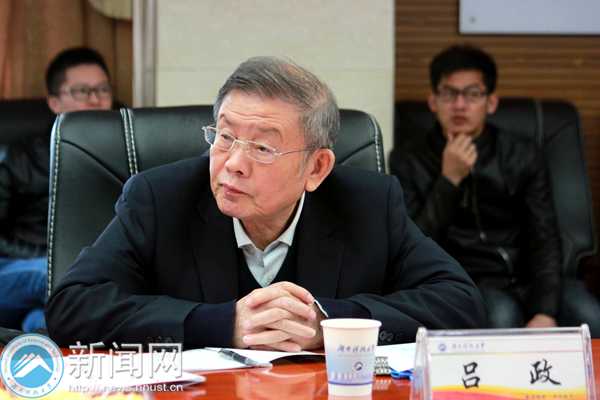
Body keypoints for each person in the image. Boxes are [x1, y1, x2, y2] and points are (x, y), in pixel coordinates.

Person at [46, 56, 486, 351]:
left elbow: (462, 303)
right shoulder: (160, 197)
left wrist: (330, 324)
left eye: (262, 148)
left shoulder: (369, 203)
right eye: (224, 136)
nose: (232, 164)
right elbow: (72, 307)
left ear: (316, 168)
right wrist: (220, 324)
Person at [389, 45, 600, 336]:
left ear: (491, 102)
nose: (460, 104)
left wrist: (544, 311)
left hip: (529, 278)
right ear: (433, 101)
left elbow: (544, 237)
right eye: (449, 93)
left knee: (589, 313)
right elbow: (413, 243)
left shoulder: (522, 155)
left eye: (472, 94)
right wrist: (449, 180)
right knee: (501, 315)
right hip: (467, 281)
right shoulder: (408, 160)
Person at [0, 47, 113, 332]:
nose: (96, 100)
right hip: (16, 268)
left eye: (102, 89)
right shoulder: (18, 157)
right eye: (82, 91)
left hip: (76, 272)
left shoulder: (124, 155)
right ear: (54, 102)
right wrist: (50, 258)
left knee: (40, 321)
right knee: (51, 276)